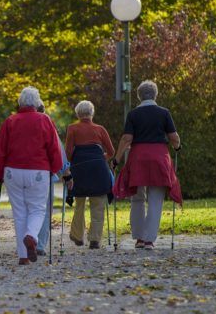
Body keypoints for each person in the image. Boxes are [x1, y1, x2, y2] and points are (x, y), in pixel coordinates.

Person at [0, 86, 63, 265]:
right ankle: (31, 236)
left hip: (13, 171)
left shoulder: (10, 121)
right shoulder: (44, 120)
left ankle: (23, 256)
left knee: (19, 212)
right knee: (37, 208)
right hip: (38, 170)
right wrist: (56, 168)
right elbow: (54, 148)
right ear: (37, 103)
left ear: (20, 102)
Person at [113, 80, 182, 250]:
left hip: (138, 157)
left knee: (137, 197)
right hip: (159, 157)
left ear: (138, 96)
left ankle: (139, 238)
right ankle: (149, 240)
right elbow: (173, 137)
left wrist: (117, 158)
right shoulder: (164, 113)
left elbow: (127, 139)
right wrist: (177, 147)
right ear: (155, 95)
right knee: (155, 199)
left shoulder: (133, 114)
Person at [65, 100, 115, 249]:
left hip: (79, 168)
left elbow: (68, 153)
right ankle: (95, 239)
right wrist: (100, 159)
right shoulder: (100, 129)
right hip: (98, 168)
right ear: (92, 113)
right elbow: (111, 152)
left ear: (78, 114)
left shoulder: (72, 128)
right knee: (98, 204)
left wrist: (73, 163)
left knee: (79, 203)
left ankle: (77, 236)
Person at [35, 104, 73, 256]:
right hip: (46, 173)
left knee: (28, 209)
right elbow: (58, 151)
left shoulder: (16, 122)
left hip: (22, 173)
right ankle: (40, 244)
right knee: (45, 210)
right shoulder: (47, 124)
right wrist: (66, 173)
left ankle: (28, 240)